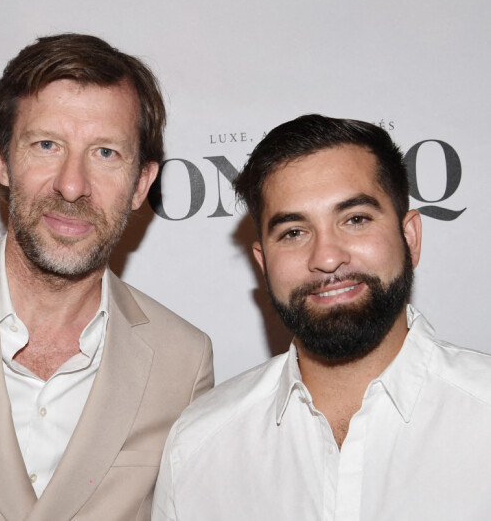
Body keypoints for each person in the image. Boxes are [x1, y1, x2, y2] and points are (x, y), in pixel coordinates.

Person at [0, 33, 213, 521]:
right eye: (47, 144)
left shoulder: (183, 361)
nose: (72, 185)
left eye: (105, 153)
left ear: (141, 184)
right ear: (2, 161)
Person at [152, 114, 491, 521]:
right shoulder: (198, 447)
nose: (327, 257)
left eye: (355, 219)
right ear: (263, 264)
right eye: (294, 232)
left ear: (411, 238)